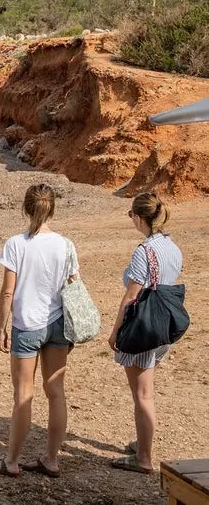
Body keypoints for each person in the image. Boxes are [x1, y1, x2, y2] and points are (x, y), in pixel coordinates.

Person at [0, 184, 76, 478]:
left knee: (23, 394)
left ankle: (11, 461)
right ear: (52, 209)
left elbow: (6, 292)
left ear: (26, 208)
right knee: (56, 392)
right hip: (58, 324)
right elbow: (73, 285)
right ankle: (51, 459)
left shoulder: (16, 244)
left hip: (26, 325)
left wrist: (2, 327)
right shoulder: (66, 244)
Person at [107, 192, 183, 475]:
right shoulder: (172, 247)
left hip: (142, 328)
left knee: (142, 395)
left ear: (139, 218)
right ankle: (142, 443)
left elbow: (130, 297)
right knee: (145, 391)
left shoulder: (144, 251)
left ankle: (143, 458)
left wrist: (115, 331)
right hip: (163, 326)